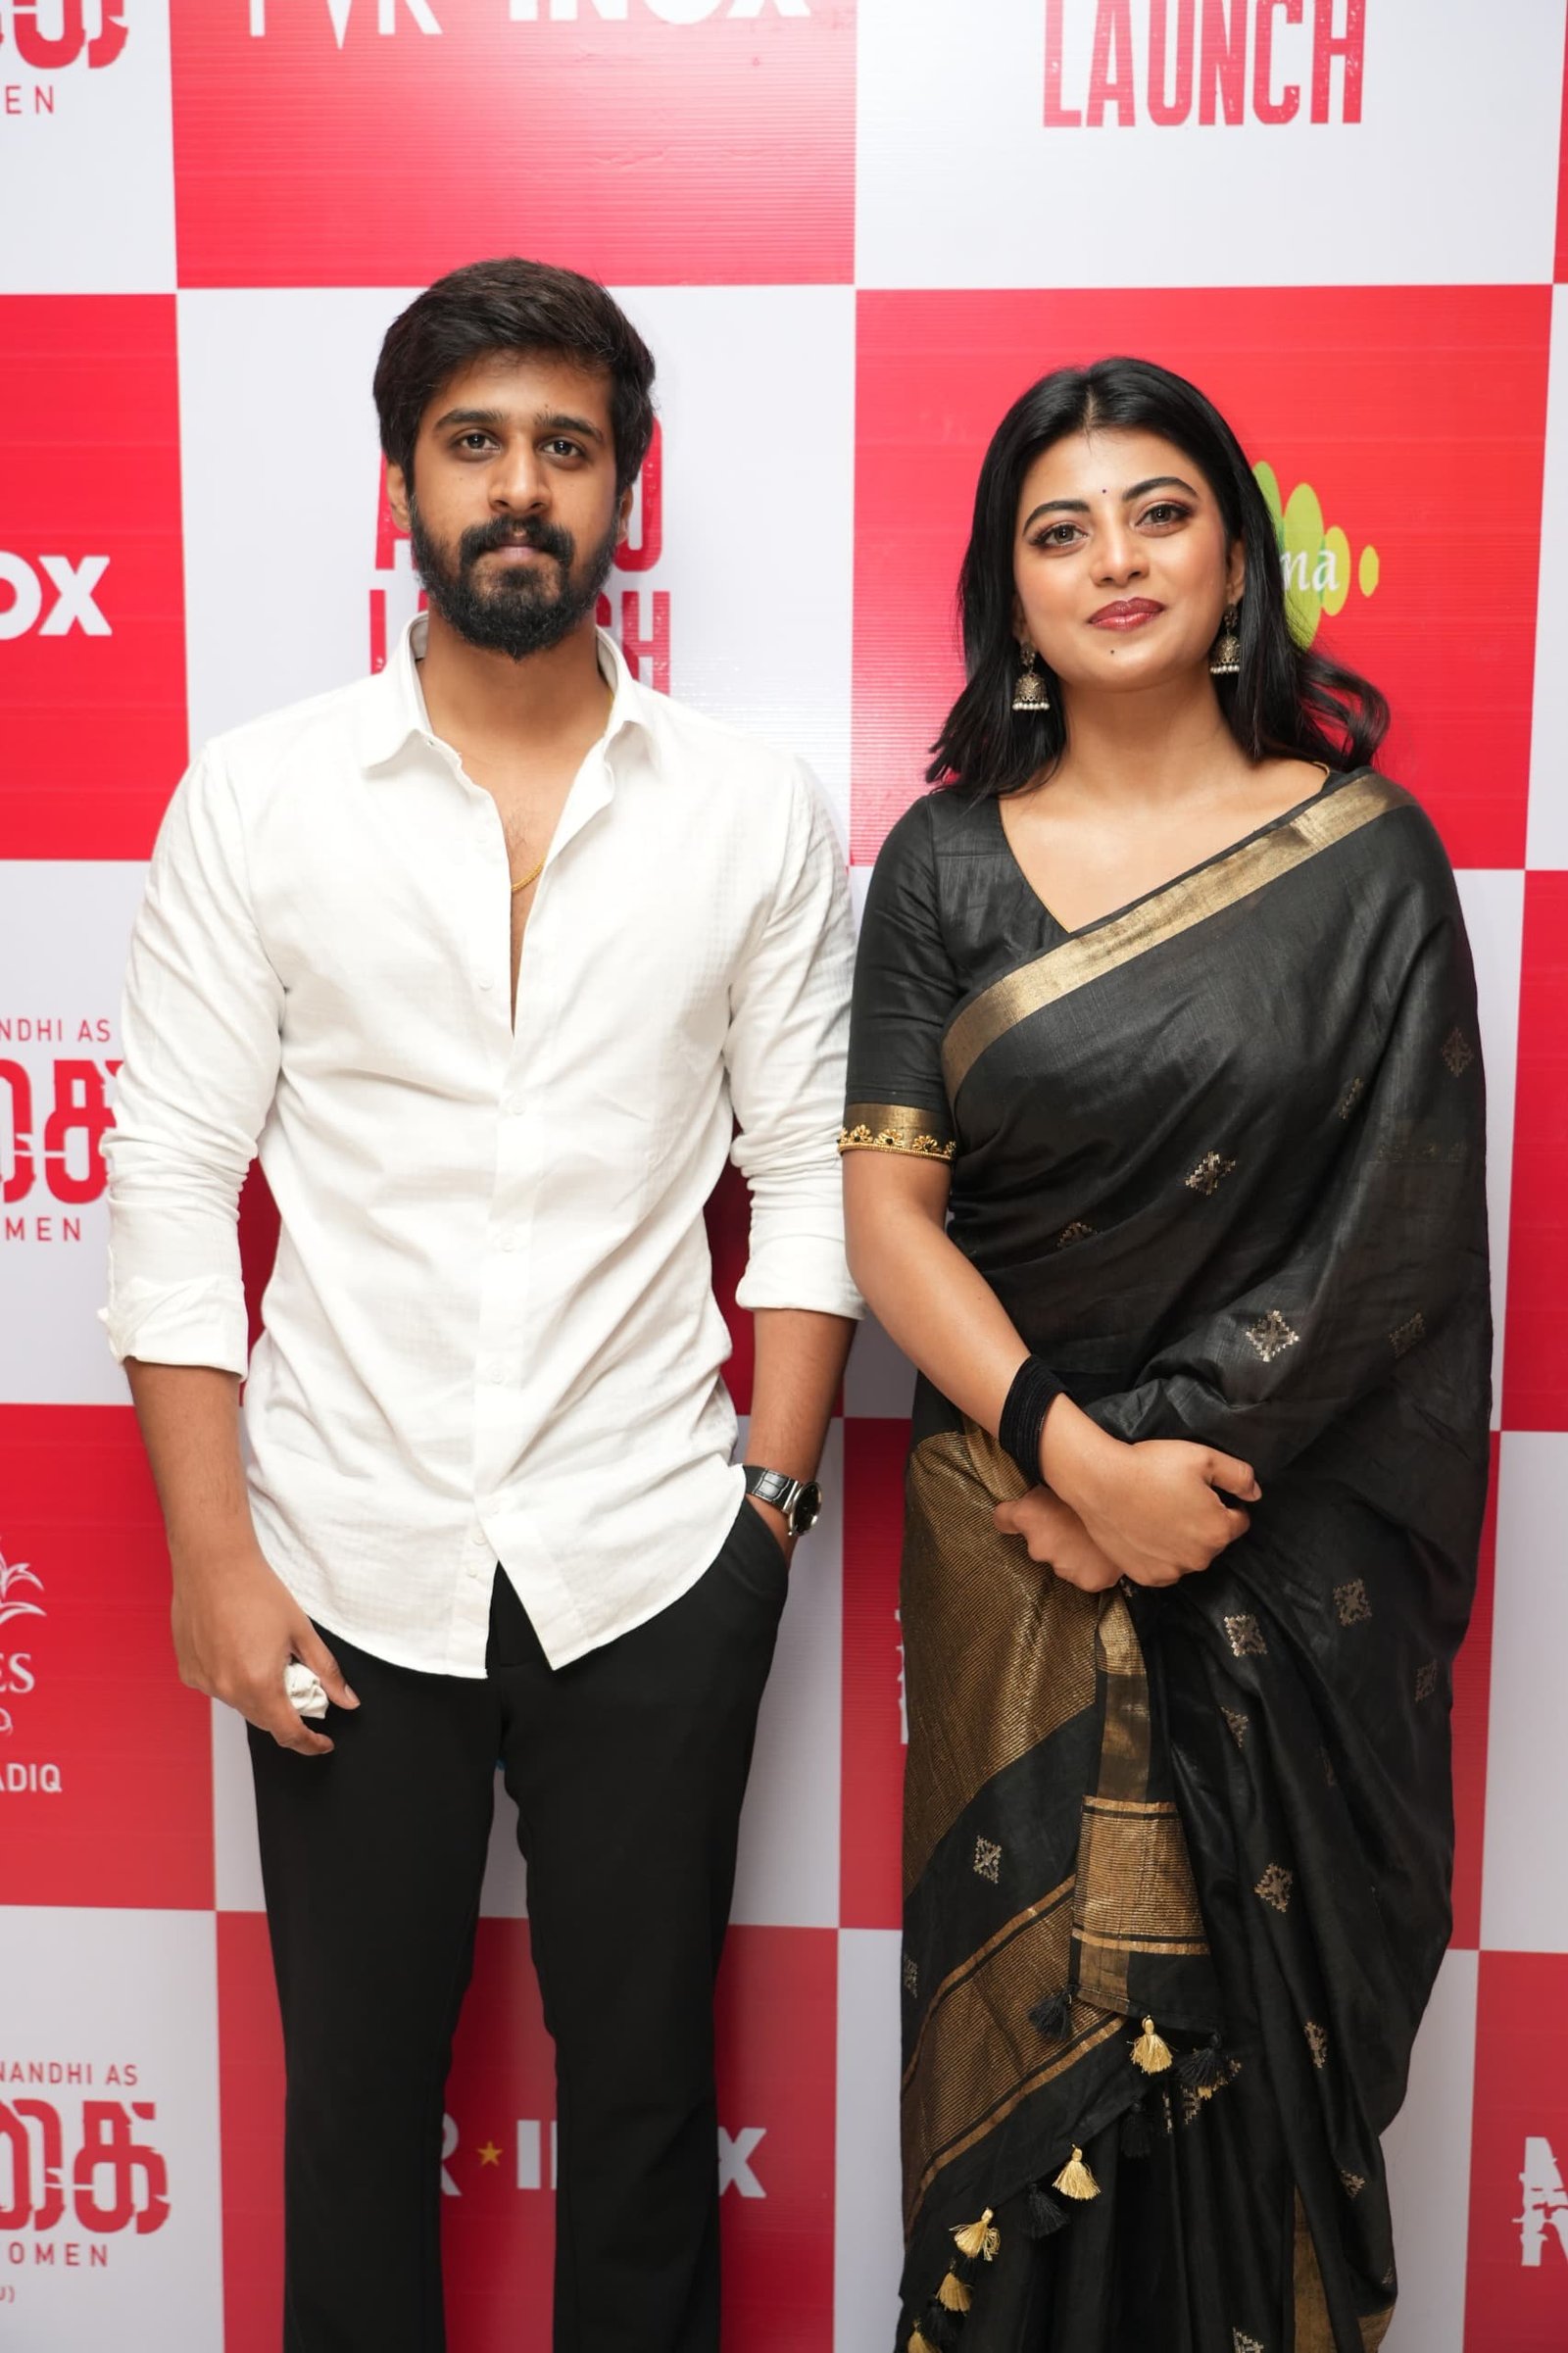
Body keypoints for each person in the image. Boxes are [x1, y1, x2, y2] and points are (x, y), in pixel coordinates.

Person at [104, 255, 859, 2353]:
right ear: (401, 485)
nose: (519, 486)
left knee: (646, 2114)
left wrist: (765, 1521)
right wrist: (214, 1554)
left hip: (655, 1554)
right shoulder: (257, 800)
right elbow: (169, 1182)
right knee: (354, 2118)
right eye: (473, 444)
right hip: (339, 1558)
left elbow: (810, 1173)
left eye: (564, 445)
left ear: (626, 483)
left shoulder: (747, 810)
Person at [843, 357, 1489, 2353]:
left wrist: (1158, 1480)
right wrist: (1069, 1454)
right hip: (1012, 1542)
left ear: (1234, 562)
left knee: (1253, 2108)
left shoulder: (1367, 862)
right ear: (1010, 595)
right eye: (1060, 530)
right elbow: (887, 1219)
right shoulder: (943, 865)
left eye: (1158, 512)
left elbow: (1390, 1240)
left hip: (1283, 1554)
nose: (1112, 558)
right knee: (1031, 2105)